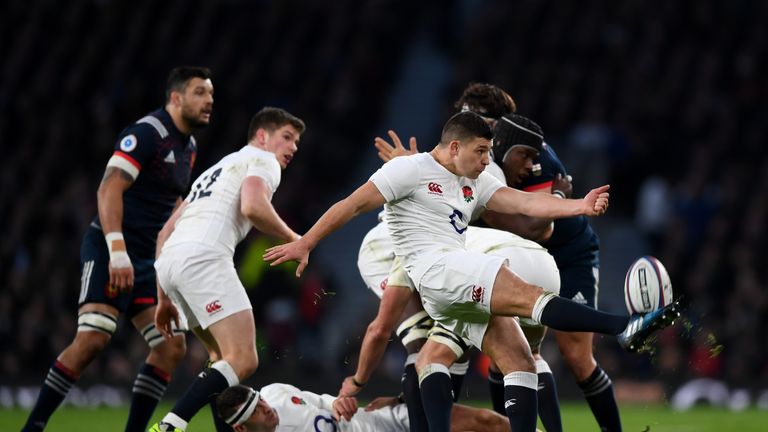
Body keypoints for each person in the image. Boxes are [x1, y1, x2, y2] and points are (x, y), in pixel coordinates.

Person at [264, 111, 680, 432]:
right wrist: (306, 241)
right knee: (528, 296)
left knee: (517, 358)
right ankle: (624, 326)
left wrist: (579, 206)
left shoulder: (473, 180)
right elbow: (351, 205)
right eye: (481, 151)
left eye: (489, 152)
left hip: (452, 286)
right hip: (437, 270)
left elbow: (525, 204)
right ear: (454, 145)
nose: (487, 160)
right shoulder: (409, 170)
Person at [374, 82, 630, 431]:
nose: (462, 123)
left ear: (495, 124)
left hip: (567, 253)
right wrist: (416, 168)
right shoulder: (472, 152)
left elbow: (535, 227)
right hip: (510, 255)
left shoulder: (536, 158)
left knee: (574, 356)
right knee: (506, 352)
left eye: (471, 117)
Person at [342, 114, 564, 432]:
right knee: (433, 344)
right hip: (395, 251)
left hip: (463, 262)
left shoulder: (476, 170)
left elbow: (527, 219)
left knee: (456, 348)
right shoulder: (477, 170)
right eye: (525, 155)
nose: (529, 166)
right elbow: (526, 223)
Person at [22, 66, 214, 432]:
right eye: (200, 93)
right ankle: (32, 427)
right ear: (175, 98)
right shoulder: (147, 134)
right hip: (114, 248)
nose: (209, 102)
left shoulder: (188, 146)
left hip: (148, 261)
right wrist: (117, 250)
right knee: (93, 338)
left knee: (172, 348)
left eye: (211, 95)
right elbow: (109, 189)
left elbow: (169, 202)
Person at [148, 107, 305, 432]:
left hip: (171, 265)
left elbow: (164, 234)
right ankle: (170, 426)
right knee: (245, 358)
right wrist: (295, 238)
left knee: (222, 360)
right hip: (204, 258)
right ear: (262, 136)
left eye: (297, 143)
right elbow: (252, 205)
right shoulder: (264, 160)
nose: (292, 148)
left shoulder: (216, 169)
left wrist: (163, 297)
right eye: (287, 137)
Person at [214, 383, 514, 432]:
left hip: (377, 418)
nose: (264, 408)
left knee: (485, 421)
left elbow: (319, 399)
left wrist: (338, 401)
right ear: (240, 428)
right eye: (253, 412)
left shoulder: (276, 392)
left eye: (259, 401)